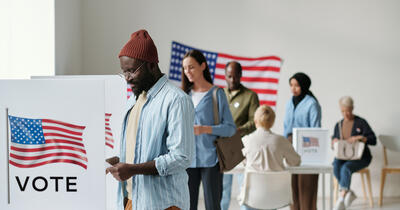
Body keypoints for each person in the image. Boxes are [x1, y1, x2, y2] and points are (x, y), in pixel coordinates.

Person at [107, 30, 195, 210]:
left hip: (164, 204)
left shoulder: (176, 100)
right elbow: (136, 150)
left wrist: (133, 169)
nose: (127, 78)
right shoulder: (133, 100)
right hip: (131, 201)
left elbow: (181, 157)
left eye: (132, 71)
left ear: (152, 66)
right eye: (124, 72)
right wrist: (118, 160)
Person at [181, 49, 236, 210]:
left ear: (203, 66)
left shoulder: (217, 94)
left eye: (191, 67)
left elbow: (230, 129)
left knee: (213, 206)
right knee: (187, 206)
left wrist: (205, 129)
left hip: (211, 160)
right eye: (185, 68)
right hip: (187, 159)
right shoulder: (183, 95)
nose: (187, 72)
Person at [239, 105, 301, 210]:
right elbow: (296, 161)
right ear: (272, 122)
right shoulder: (281, 141)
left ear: (255, 121)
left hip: (252, 199)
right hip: (275, 198)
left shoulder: (246, 140)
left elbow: (242, 162)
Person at [220, 61, 259, 210]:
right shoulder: (220, 94)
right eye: (229, 76)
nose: (232, 80)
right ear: (225, 76)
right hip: (222, 146)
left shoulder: (251, 96)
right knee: (223, 187)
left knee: (245, 184)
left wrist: (238, 130)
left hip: (243, 147)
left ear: (241, 76)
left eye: (235, 76)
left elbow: (255, 122)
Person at [283, 72, 321, 210]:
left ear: (304, 86)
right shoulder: (289, 103)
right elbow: (285, 127)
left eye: (297, 85)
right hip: (290, 148)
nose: (293, 88)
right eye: (291, 85)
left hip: (307, 148)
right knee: (292, 186)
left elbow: (316, 131)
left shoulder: (312, 104)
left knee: (306, 186)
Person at [332, 96, 376, 210]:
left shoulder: (361, 122)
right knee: (335, 164)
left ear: (352, 108)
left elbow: (373, 139)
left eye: (348, 110)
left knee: (346, 167)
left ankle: (342, 197)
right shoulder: (339, 125)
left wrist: (360, 138)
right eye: (343, 111)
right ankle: (348, 191)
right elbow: (335, 142)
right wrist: (334, 141)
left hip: (361, 157)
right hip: (343, 156)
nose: (345, 114)